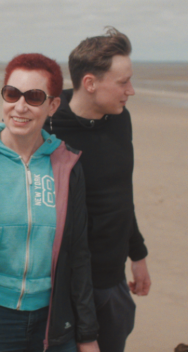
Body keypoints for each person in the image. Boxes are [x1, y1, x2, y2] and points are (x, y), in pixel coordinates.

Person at [0, 53, 100, 352]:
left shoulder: (68, 166)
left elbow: (79, 254)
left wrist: (87, 335)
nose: (19, 106)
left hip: (53, 319)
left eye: (34, 97)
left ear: (52, 105)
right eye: (12, 94)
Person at [44, 27, 151, 352]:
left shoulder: (121, 118)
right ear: (89, 83)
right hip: (61, 283)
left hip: (112, 278)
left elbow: (121, 193)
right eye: (122, 82)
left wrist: (138, 252)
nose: (130, 90)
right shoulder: (48, 125)